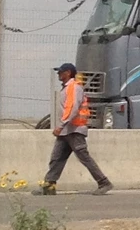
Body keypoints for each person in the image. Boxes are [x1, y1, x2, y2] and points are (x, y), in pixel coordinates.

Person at [39, 63, 113, 195]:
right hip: (67, 130)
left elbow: (72, 108)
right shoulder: (67, 88)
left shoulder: (73, 87)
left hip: (74, 130)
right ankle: (49, 186)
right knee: (57, 158)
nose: (58, 75)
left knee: (84, 157)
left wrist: (60, 125)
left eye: (60, 72)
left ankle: (103, 182)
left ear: (68, 73)